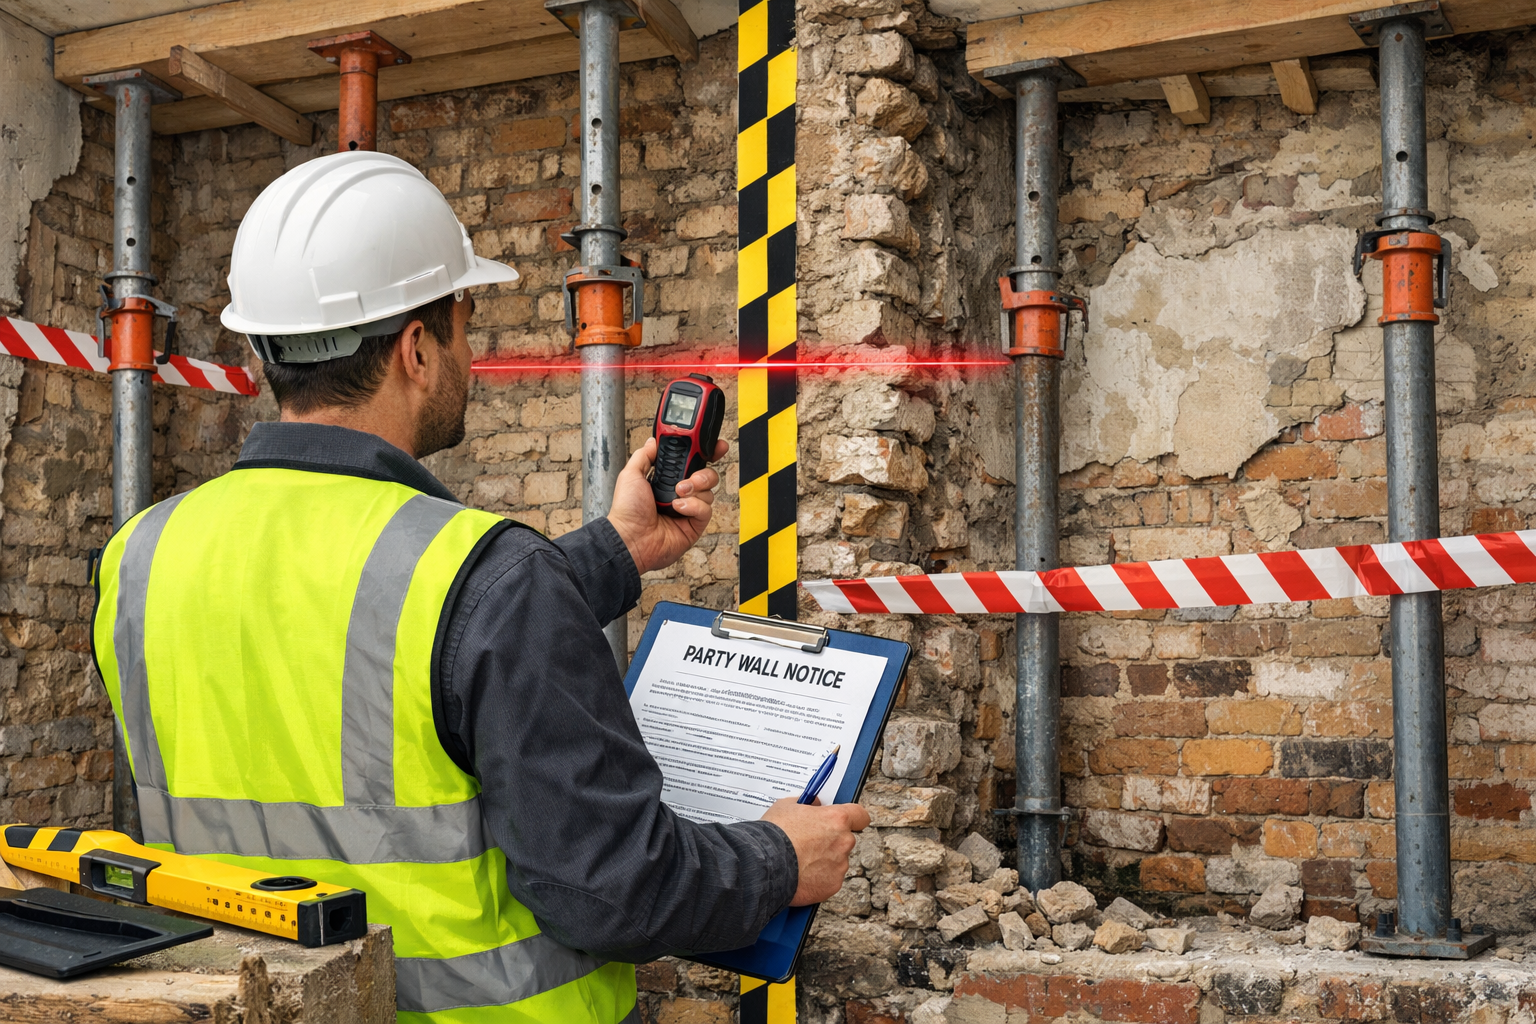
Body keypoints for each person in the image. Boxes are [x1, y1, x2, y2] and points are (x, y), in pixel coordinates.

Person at [91, 151, 869, 1024]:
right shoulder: (485, 578)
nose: (473, 344)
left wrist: (615, 549)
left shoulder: (139, 556)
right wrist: (776, 858)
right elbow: (613, 891)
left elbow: (369, 647)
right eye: (465, 315)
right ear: (418, 349)